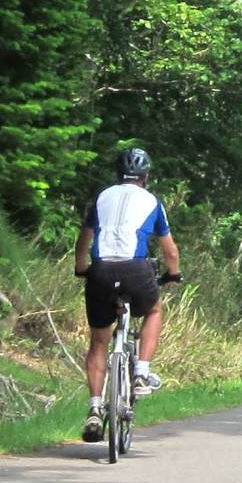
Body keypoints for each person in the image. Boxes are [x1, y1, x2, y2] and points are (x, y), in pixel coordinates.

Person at [73, 147, 183, 443]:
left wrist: (81, 268)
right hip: (136, 269)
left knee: (98, 341)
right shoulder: (152, 201)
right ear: (145, 176)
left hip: (101, 271)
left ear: (117, 174)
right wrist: (173, 274)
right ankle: (142, 373)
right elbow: (170, 250)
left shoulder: (101, 198)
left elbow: (84, 241)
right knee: (155, 310)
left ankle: (96, 408)